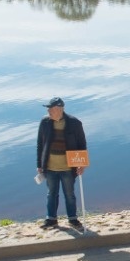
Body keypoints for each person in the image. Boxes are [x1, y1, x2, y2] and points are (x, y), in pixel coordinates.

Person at [36, 97, 87, 232]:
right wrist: (39, 165)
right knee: (51, 194)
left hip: (68, 168)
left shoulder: (74, 123)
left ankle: (73, 219)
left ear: (59, 109)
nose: (48, 111)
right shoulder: (45, 122)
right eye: (48, 109)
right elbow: (40, 144)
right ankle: (51, 219)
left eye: (51, 109)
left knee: (69, 194)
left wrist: (82, 164)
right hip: (49, 167)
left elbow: (82, 144)